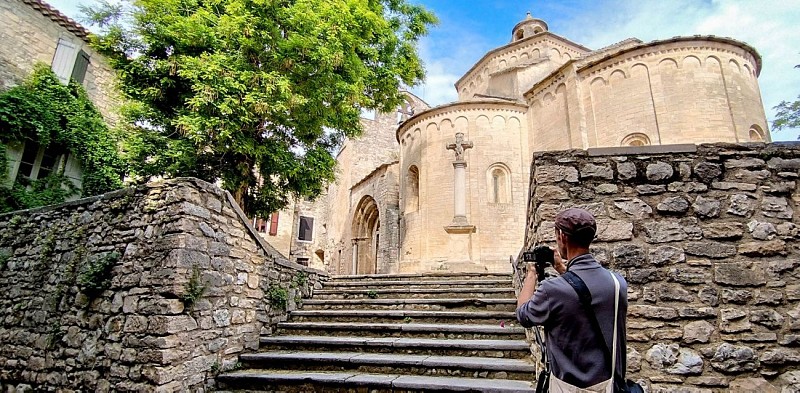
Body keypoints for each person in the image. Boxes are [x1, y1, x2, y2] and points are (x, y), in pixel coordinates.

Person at [516, 208, 628, 392]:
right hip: (609, 386)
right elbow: (581, 293)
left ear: (562, 236)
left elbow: (523, 315)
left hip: (567, 386)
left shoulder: (551, 290)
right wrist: (561, 268)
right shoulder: (618, 283)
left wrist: (531, 274)